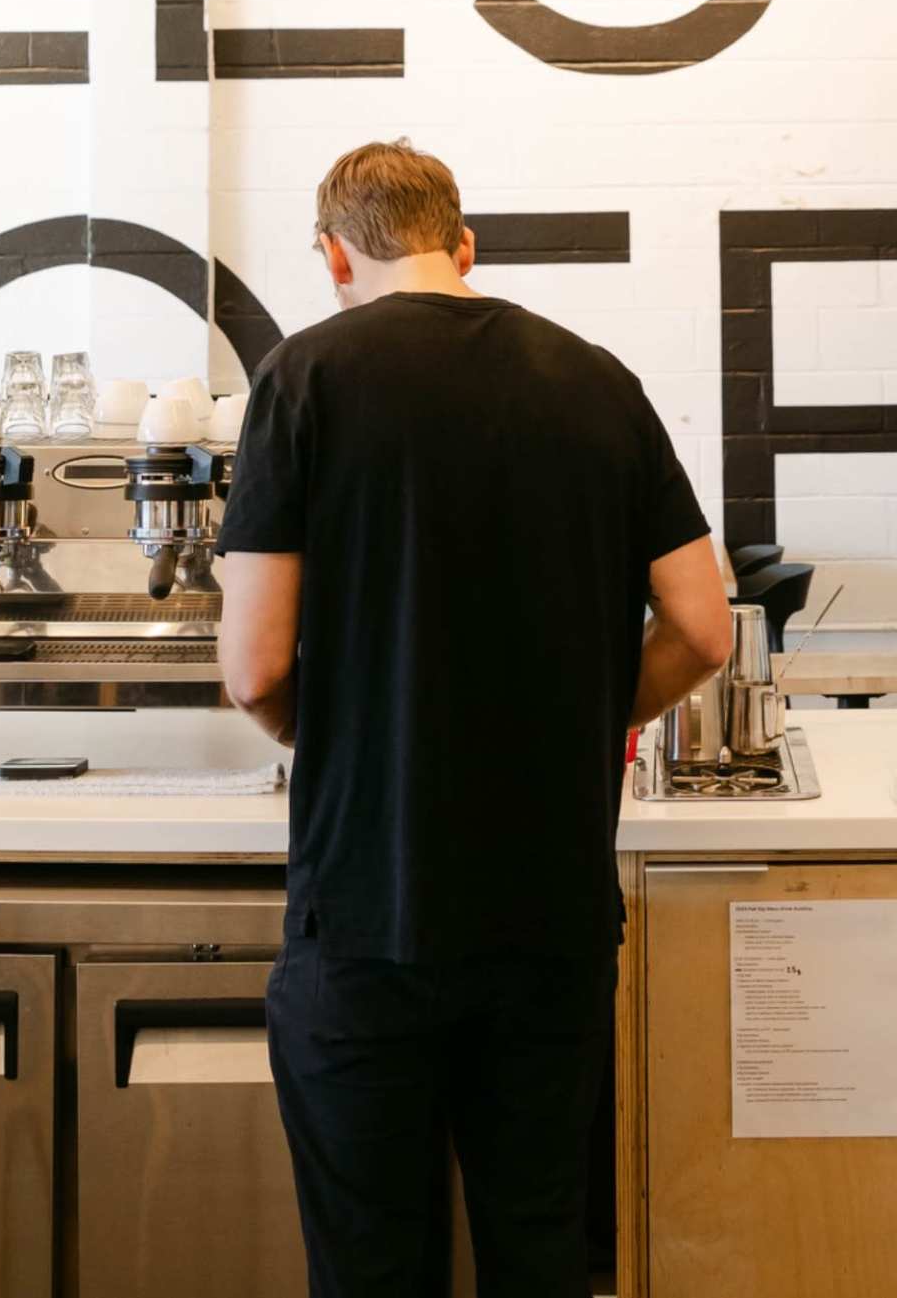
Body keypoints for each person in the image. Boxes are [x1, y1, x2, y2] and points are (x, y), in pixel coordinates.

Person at [218, 140, 731, 1298]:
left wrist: (341, 726)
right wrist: (595, 712)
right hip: (549, 920)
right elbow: (704, 630)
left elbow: (252, 667)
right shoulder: (599, 379)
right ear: (464, 246)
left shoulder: (304, 377)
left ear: (334, 253)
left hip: (367, 916)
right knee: (540, 1252)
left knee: (372, 1265)